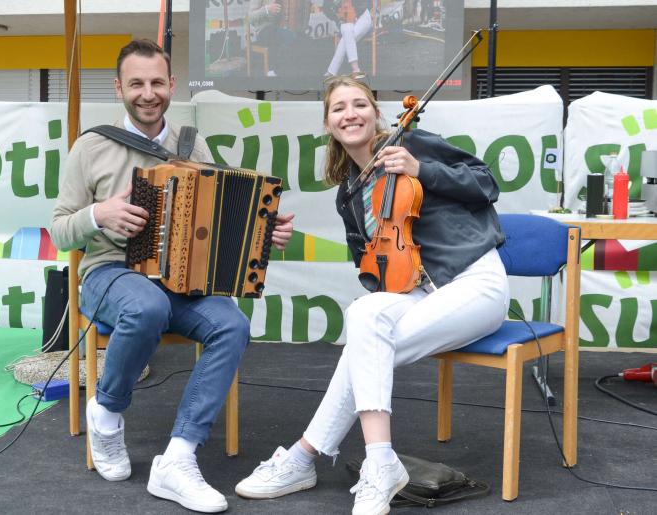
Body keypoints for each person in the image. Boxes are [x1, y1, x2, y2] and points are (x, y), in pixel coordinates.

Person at [235, 76, 509, 515]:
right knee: (365, 314)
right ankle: (379, 460)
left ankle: (305, 456)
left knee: (366, 351)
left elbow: (486, 184)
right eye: (339, 108)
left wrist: (422, 171)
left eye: (359, 104)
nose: (350, 114)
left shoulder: (413, 144)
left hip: (475, 283)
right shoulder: (348, 193)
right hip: (419, 293)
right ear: (328, 123)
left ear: (374, 113)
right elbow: (373, 269)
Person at [49, 39, 294, 513]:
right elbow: (61, 229)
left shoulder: (190, 143)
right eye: (136, 83)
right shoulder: (91, 145)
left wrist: (263, 233)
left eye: (156, 82)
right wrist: (100, 214)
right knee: (147, 306)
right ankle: (106, 412)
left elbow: (222, 215)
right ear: (119, 87)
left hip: (178, 281)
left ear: (171, 85)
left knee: (232, 324)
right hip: (108, 274)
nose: (147, 93)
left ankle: (178, 457)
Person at [247, 0, 306, 77]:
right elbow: (251, 17)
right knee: (288, 37)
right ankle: (272, 72)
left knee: (302, 40)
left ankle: (284, 72)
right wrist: (267, 9)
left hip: (284, 28)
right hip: (265, 29)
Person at [324, 0, 374, 78]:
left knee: (346, 35)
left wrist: (353, 15)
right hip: (345, 21)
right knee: (347, 29)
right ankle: (356, 70)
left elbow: (367, 3)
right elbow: (326, 9)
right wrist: (339, 20)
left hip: (362, 18)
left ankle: (332, 71)